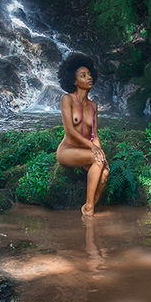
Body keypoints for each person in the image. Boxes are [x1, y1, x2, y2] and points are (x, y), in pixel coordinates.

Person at [56, 53, 110, 216]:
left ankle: (88, 206)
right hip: (67, 150)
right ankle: (89, 209)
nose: (89, 77)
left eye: (89, 74)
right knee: (96, 159)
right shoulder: (67, 99)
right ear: (74, 81)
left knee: (105, 171)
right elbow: (70, 131)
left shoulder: (93, 105)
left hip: (85, 151)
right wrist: (93, 148)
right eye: (83, 75)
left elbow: (95, 135)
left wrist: (100, 152)